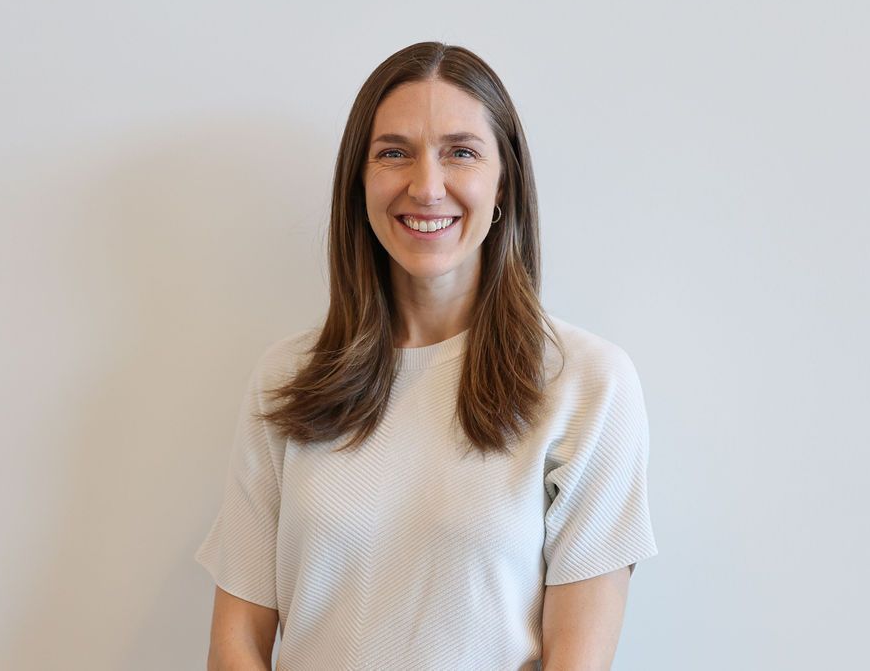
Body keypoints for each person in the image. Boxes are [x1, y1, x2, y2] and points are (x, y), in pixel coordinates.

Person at [195, 41, 658, 670]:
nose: (426, 186)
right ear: (359, 181)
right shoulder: (289, 379)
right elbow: (237, 643)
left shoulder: (588, 384)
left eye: (461, 153)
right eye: (394, 153)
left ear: (504, 184)